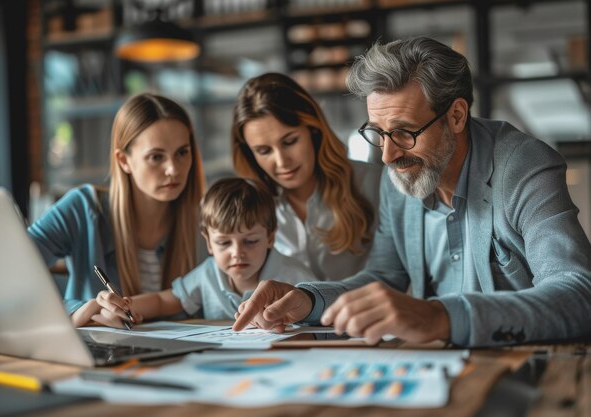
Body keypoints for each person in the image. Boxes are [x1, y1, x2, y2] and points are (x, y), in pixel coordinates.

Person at [233, 37, 591, 347]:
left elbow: (578, 294)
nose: (387, 155)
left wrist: (439, 317)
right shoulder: (402, 174)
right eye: (378, 132)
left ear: (456, 116)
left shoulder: (524, 167)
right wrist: (309, 301)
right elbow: (385, 276)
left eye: (405, 132)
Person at [28, 93, 205, 327]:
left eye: (182, 152)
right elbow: (9, 275)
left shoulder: (208, 219)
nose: (173, 169)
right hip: (100, 357)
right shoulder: (82, 208)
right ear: (123, 160)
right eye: (156, 157)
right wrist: (80, 310)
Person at [76, 177, 317, 326]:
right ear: (209, 244)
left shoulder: (294, 277)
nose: (237, 253)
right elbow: (163, 301)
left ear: (270, 238)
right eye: (224, 243)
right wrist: (125, 306)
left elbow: (322, 318)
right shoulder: (208, 274)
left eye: (250, 241)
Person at [231, 73, 382, 280]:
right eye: (264, 151)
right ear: (250, 154)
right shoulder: (250, 206)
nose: (282, 161)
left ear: (314, 130)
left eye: (290, 141)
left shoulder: (372, 182)